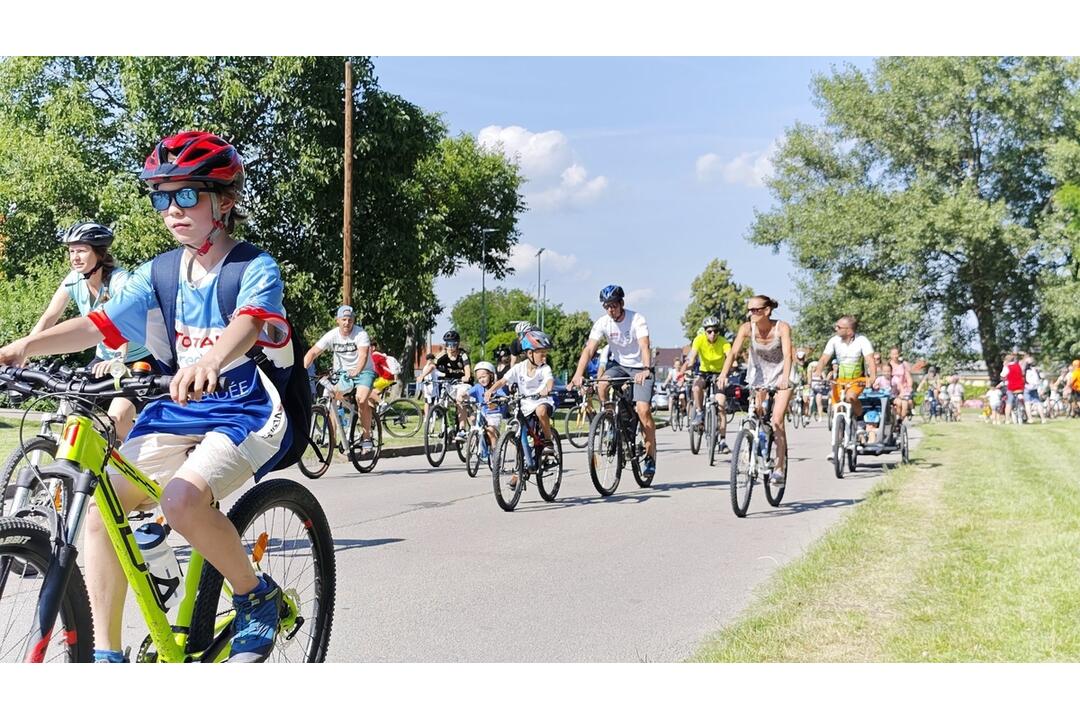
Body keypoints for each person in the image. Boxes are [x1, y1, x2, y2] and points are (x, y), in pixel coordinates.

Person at [0, 131, 294, 662]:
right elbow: (97, 324)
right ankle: (107, 657)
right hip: (177, 407)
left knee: (181, 501)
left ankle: (256, 595)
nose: (172, 210)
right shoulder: (158, 272)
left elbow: (250, 323)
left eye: (186, 195)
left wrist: (210, 360)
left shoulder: (254, 267)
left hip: (244, 408)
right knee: (99, 506)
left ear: (223, 200)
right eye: (162, 196)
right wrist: (22, 347)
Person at [30, 222, 159, 440]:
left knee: (116, 420)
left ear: (99, 253)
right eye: (71, 251)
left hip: (139, 359)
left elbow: (124, 319)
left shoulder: (120, 280)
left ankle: (138, 462)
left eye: (81, 250)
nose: (74, 257)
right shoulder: (74, 280)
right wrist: (25, 350)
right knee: (74, 406)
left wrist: (119, 357)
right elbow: (49, 317)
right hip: (103, 359)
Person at [569, 285, 657, 480]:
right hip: (619, 365)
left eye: (614, 305)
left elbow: (644, 346)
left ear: (622, 304)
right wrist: (578, 374)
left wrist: (645, 369)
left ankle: (650, 457)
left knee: (643, 410)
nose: (610, 310)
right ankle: (609, 420)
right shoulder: (603, 322)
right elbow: (589, 349)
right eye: (607, 306)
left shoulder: (637, 319)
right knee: (602, 384)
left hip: (640, 367)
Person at [718, 295, 794, 486]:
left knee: (777, 419)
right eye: (749, 310)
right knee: (758, 412)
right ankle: (759, 443)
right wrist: (723, 374)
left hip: (781, 373)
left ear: (766, 311)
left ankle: (779, 468)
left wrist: (785, 378)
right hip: (759, 374)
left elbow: (787, 354)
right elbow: (733, 352)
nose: (750, 313)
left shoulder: (782, 327)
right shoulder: (746, 328)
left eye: (755, 310)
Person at [304, 305, 377, 452]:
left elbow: (363, 356)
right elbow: (313, 352)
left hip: (363, 371)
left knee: (361, 399)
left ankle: (367, 436)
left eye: (350, 320)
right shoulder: (332, 335)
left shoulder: (361, 334)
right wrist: (303, 369)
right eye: (343, 319)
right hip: (342, 374)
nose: (347, 323)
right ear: (337, 320)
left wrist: (357, 371)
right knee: (331, 398)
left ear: (353, 320)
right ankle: (332, 438)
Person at [486, 330, 556, 482]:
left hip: (542, 401)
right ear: (530, 353)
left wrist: (547, 389)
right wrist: (491, 391)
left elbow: (550, 381)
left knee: (541, 410)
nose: (544, 357)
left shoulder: (544, 368)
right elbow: (503, 381)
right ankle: (521, 469)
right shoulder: (519, 368)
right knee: (518, 433)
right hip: (525, 405)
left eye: (545, 353)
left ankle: (548, 442)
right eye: (541, 353)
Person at [814, 315, 876, 430]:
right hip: (840, 380)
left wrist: (872, 378)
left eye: (839, 327)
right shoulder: (834, 341)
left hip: (857, 379)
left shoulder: (862, 340)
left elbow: (870, 360)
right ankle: (840, 430)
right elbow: (824, 358)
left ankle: (860, 421)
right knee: (836, 404)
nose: (835, 329)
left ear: (848, 330)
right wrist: (818, 371)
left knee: (850, 397)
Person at [683, 315, 732, 453]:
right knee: (696, 387)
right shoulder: (699, 340)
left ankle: (722, 441)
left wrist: (731, 366)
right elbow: (692, 354)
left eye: (715, 331)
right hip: (704, 372)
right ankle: (699, 412)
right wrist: (690, 362)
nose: (712, 334)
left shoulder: (724, 342)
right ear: (705, 331)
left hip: (719, 374)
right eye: (709, 331)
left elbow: (730, 355)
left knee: (721, 405)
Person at [416, 330, 472, 440]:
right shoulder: (443, 354)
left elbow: (468, 372)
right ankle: (447, 426)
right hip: (449, 382)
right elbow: (432, 366)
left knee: (460, 400)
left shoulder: (463, 355)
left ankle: (461, 430)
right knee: (442, 401)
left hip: (462, 383)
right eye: (448, 344)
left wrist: (465, 377)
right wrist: (422, 375)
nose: (451, 347)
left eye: (453, 344)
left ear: (458, 344)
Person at [468, 361, 507, 459]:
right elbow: (467, 393)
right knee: (472, 418)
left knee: (490, 430)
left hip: (494, 414)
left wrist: (499, 400)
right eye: (479, 378)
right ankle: (475, 434)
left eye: (484, 377)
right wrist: (461, 396)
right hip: (482, 412)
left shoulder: (495, 388)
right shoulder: (477, 387)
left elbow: (503, 397)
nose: (482, 380)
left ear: (491, 376)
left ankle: (495, 454)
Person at [888, 347, 914, 421]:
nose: (895, 356)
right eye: (893, 354)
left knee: (905, 403)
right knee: (898, 404)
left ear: (899, 354)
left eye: (896, 354)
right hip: (893, 389)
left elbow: (908, 377)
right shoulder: (888, 365)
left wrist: (909, 386)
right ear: (890, 355)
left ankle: (901, 420)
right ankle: (896, 418)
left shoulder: (903, 364)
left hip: (903, 388)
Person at [1001, 354, 1025, 423]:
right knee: (1022, 400)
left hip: (1011, 387)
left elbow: (1002, 375)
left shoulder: (1007, 367)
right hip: (1020, 387)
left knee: (1009, 402)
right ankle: (1023, 414)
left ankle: (1007, 419)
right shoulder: (1018, 365)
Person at [1022, 355, 1047, 424]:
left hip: (1027, 387)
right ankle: (1043, 419)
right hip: (1035, 387)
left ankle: (1030, 419)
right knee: (1038, 403)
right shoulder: (1036, 369)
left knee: (1027, 403)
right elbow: (1041, 378)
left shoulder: (1025, 370)